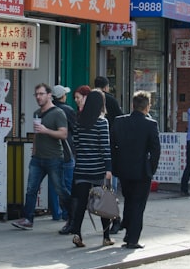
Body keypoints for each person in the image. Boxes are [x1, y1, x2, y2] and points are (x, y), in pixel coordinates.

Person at [11, 83, 70, 230]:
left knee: (60, 189)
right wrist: (34, 150)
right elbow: (37, 134)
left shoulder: (58, 113)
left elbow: (63, 134)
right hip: (38, 158)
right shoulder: (36, 113)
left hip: (54, 157)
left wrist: (46, 130)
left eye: (41, 94)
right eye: (36, 94)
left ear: (49, 95)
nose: (38, 97)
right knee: (31, 189)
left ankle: (72, 216)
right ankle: (27, 219)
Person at [110, 91, 160, 249]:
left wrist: (116, 165)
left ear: (133, 105)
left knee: (129, 200)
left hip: (123, 170)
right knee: (138, 205)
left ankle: (127, 232)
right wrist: (151, 168)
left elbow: (112, 146)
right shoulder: (151, 124)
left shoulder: (119, 122)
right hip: (142, 171)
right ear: (147, 107)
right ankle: (132, 239)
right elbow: (155, 150)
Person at [66, 90, 114, 248]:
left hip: (81, 169)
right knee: (103, 204)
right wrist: (108, 168)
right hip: (98, 169)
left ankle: (77, 234)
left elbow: (77, 144)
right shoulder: (102, 122)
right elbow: (105, 147)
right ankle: (106, 237)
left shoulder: (79, 121)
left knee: (81, 203)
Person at [48, 84, 77, 232]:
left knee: (53, 183)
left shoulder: (47, 110)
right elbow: (75, 129)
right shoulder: (68, 110)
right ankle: (67, 212)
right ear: (62, 96)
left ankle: (55, 212)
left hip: (50, 151)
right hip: (66, 151)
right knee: (66, 183)